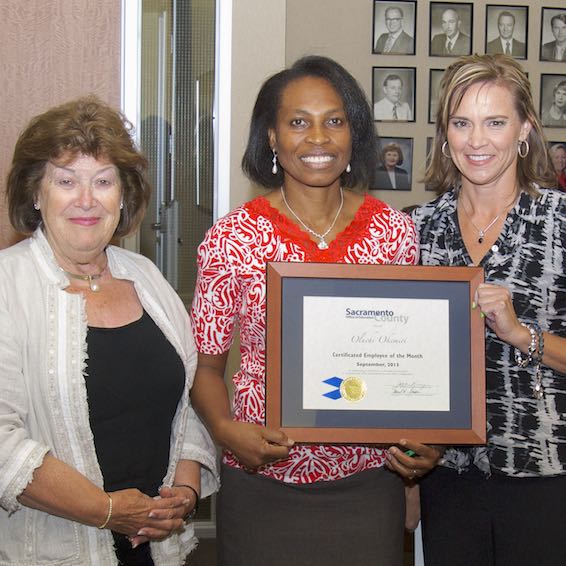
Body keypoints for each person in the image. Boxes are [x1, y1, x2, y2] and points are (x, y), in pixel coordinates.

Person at [189, 55, 442, 566]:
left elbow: (413, 363)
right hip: (262, 483)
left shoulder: (394, 233)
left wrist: (425, 443)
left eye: (334, 121)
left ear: (354, 135)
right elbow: (206, 366)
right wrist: (225, 429)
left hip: (368, 484)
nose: (318, 138)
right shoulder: (232, 238)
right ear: (272, 139)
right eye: (298, 122)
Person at [0, 96, 219, 565]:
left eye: (103, 181)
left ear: (124, 196)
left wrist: (183, 490)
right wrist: (107, 510)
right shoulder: (6, 285)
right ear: (36, 193)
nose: (86, 199)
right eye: (66, 180)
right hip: (53, 546)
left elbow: (185, 406)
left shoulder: (147, 278)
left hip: (152, 546)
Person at [413, 53, 566, 566]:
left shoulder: (560, 224)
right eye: (462, 123)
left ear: (525, 129)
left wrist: (523, 335)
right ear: (444, 133)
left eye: (495, 122)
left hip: (546, 473)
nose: (477, 141)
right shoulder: (415, 230)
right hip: (448, 475)